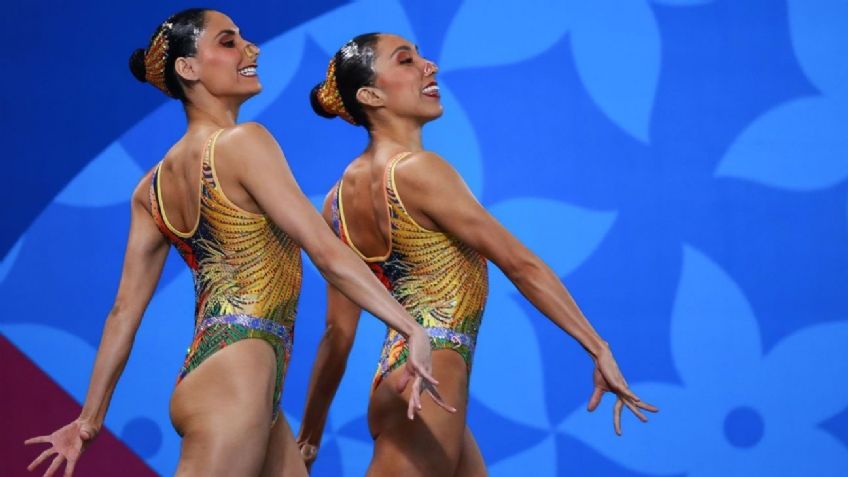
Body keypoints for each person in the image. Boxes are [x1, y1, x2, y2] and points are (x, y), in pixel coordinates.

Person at [24, 13, 446, 477]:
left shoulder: (151, 189)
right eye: (228, 42)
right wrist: (411, 328)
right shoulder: (243, 143)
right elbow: (325, 251)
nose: (252, 48)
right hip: (236, 383)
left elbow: (124, 313)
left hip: (232, 377)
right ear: (188, 68)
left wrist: (89, 420)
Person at [296, 33, 658, 476]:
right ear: (371, 96)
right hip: (431, 380)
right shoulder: (420, 171)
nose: (429, 66)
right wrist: (598, 347)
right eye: (406, 61)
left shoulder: (335, 203)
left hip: (400, 380)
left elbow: (337, 334)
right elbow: (520, 264)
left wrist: (310, 436)